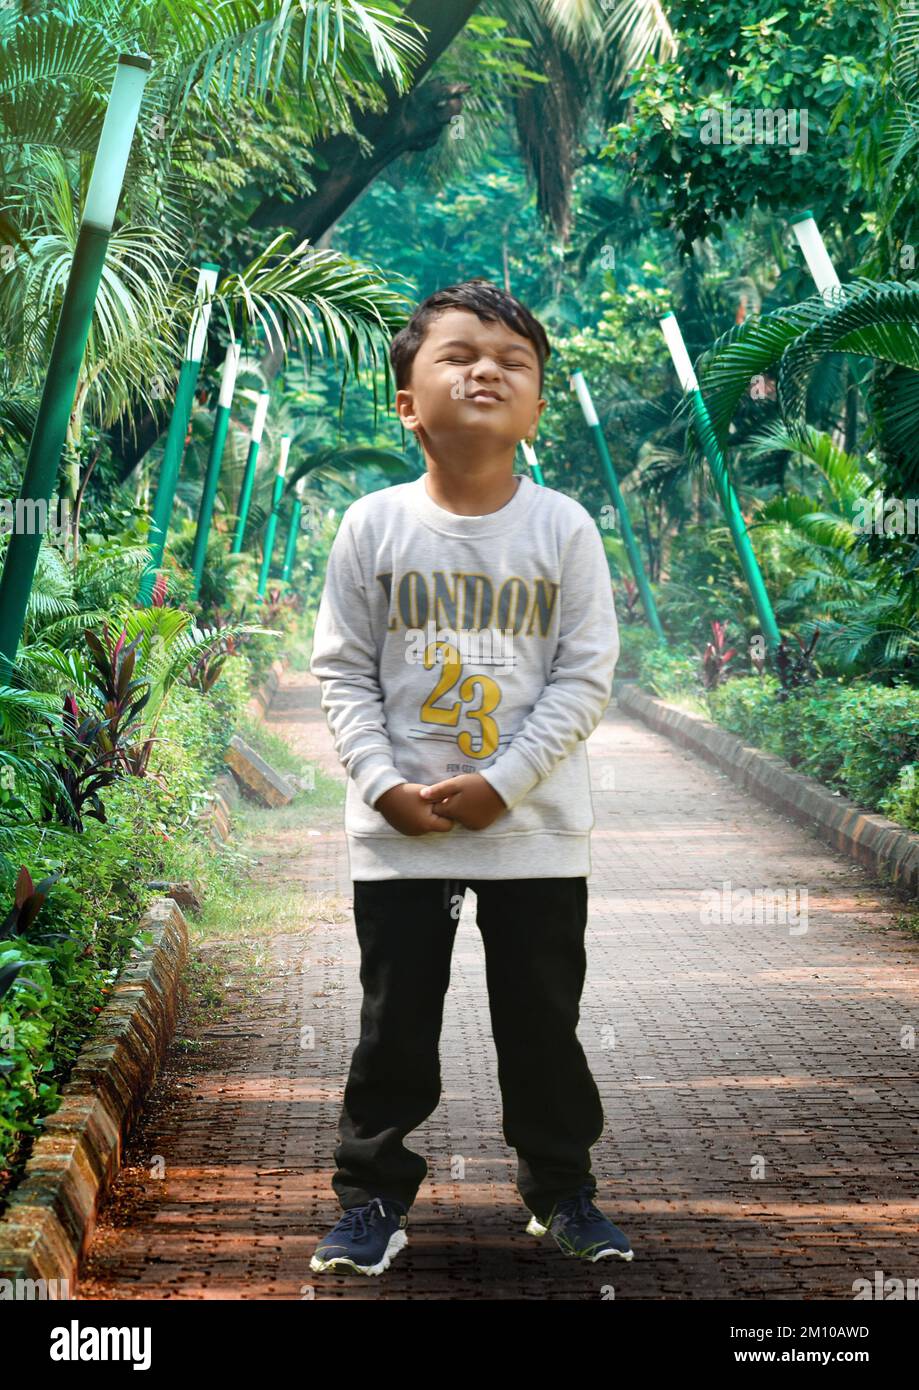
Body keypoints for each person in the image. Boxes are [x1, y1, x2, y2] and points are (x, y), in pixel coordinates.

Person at [307, 279, 631, 1277]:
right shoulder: (371, 526)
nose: (486, 368)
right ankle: (370, 1200)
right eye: (458, 354)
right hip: (399, 831)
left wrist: (508, 781)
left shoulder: (563, 530)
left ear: (534, 406)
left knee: (542, 1019)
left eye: (513, 360)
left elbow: (585, 674)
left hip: (532, 829)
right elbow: (342, 670)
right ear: (406, 401)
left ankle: (561, 1189)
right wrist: (378, 785)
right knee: (390, 1026)